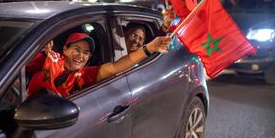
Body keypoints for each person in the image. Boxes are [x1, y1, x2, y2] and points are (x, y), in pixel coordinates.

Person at [27, 32, 171, 98]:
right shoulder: (48, 60)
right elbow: (20, 68)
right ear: (65, 49)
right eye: (76, 50)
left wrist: (149, 48)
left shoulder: (83, 75)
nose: (80, 56)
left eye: (86, 53)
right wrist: (37, 49)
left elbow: (116, 67)